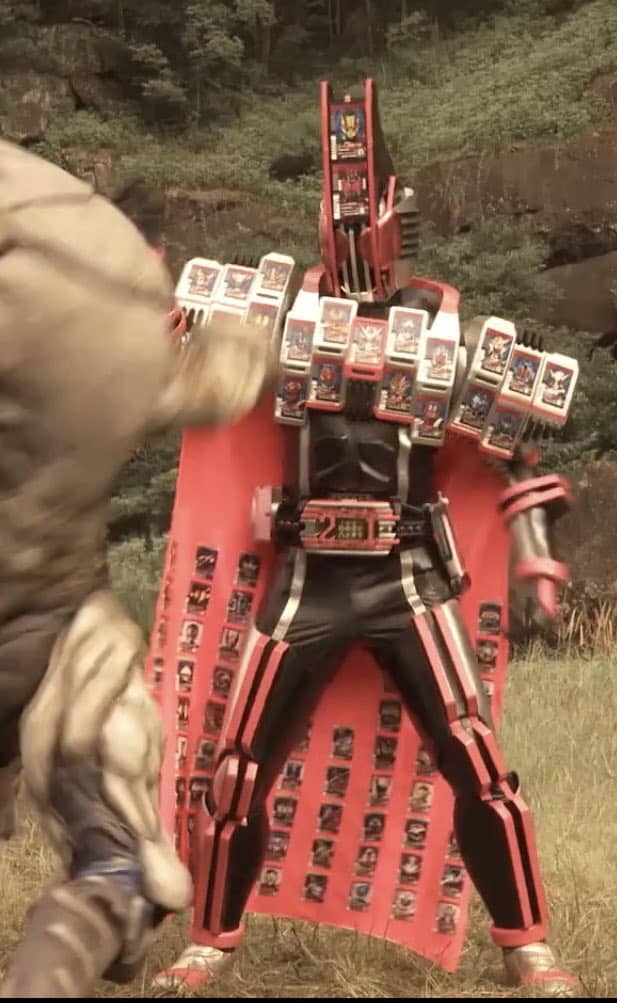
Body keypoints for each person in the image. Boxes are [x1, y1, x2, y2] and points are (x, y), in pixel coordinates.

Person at [150, 80, 580, 996]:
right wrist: (153, 320)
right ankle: (212, 937)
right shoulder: (279, 312)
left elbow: (517, 450)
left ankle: (525, 943)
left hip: (408, 576)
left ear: (391, 211)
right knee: (237, 772)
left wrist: (536, 556)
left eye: (362, 205)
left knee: (477, 761)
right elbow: (181, 361)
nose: (349, 227)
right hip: (306, 575)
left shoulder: (447, 322)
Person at [0, 138, 272, 997]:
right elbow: (214, 377)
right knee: (120, 854)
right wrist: (239, 344)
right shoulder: (110, 283)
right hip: (46, 628)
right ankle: (96, 906)